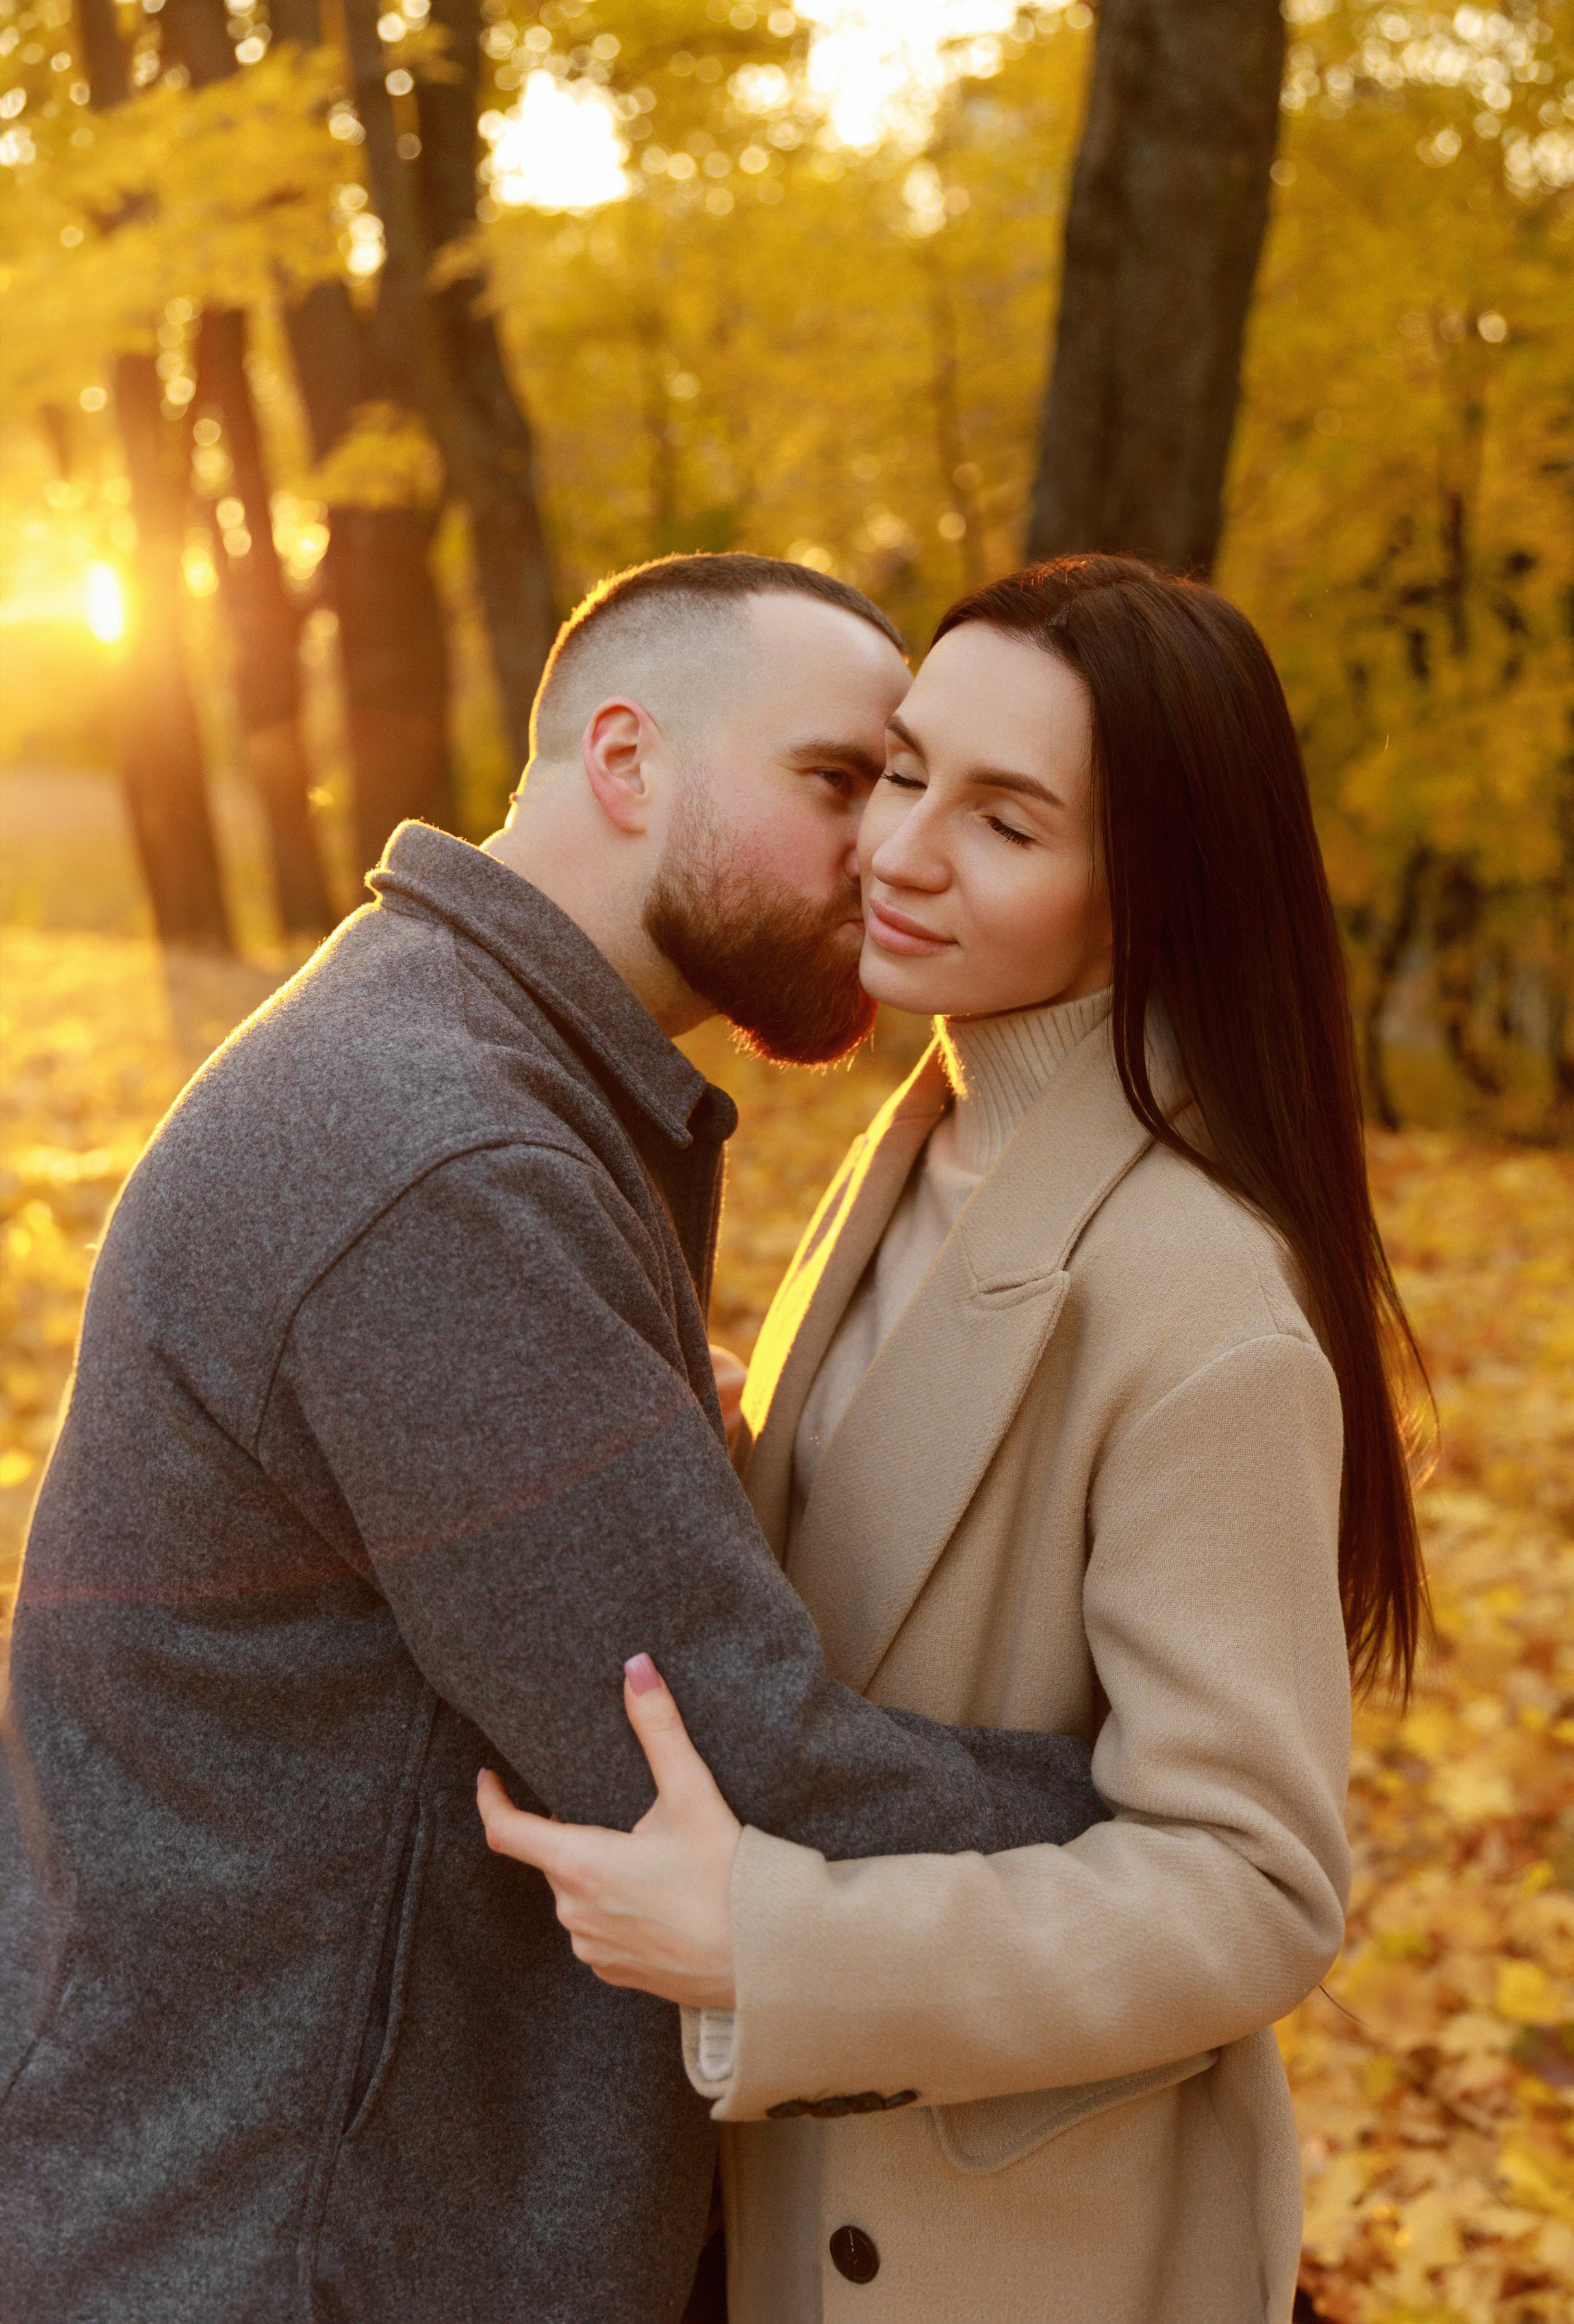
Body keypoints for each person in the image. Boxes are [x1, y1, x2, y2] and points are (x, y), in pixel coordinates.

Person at [0, 554, 1108, 2324]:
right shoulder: (442, 1158)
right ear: (624, 759)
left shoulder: (468, 1060)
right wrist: (1161, 1836)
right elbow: (728, 1761)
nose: (887, 853)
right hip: (295, 2242)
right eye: (840, 777)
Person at [477, 553, 1428, 2323]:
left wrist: (780, 1946)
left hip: (1007, 2244)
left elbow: (1254, 1885)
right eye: (906, 769)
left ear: (1148, 893)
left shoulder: (1195, 1296)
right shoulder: (929, 1122)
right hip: (783, 2202)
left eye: (1008, 820)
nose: (903, 850)